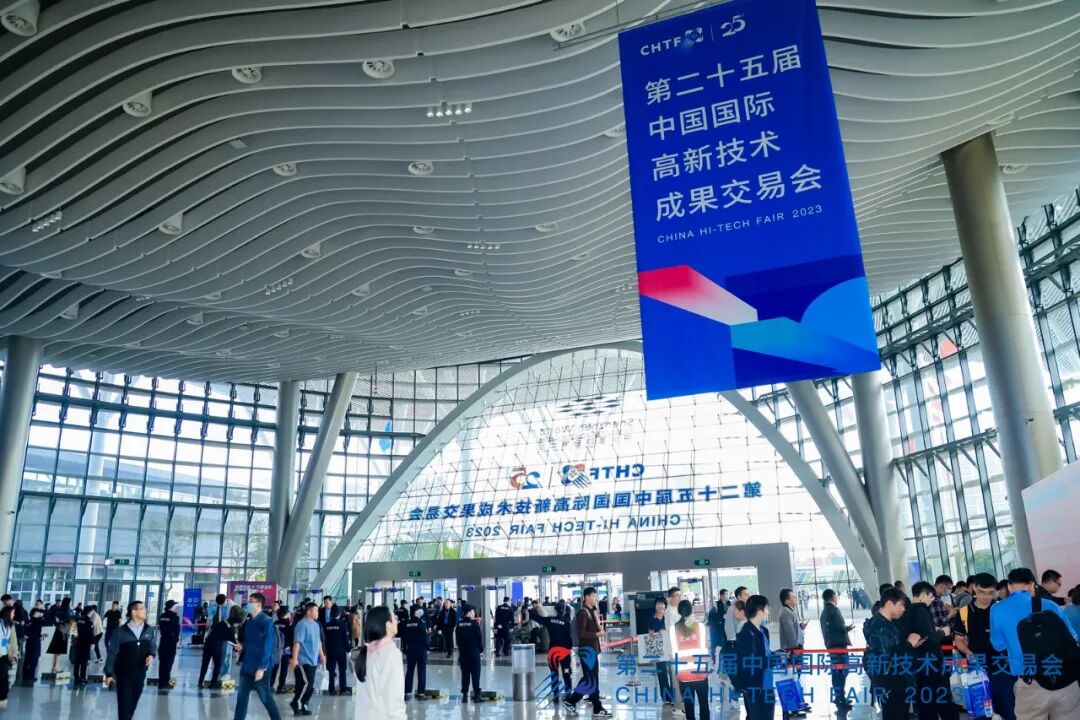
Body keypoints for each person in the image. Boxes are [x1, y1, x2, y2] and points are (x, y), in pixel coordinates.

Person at [990, 567, 1079, 719]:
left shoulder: (997, 609)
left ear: (1009, 586)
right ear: (1032, 584)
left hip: (1030, 682)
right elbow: (1073, 638)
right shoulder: (1051, 605)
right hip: (1064, 679)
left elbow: (998, 645)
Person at [952, 573, 1013, 720]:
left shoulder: (1002, 609)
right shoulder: (964, 612)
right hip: (977, 669)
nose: (986, 596)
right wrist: (969, 653)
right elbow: (959, 640)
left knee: (1008, 710)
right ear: (974, 588)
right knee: (982, 711)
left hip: (1003, 667)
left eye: (991, 593)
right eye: (981, 592)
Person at [865, 587, 921, 720]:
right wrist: (909, 644)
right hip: (891, 685)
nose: (904, 609)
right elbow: (887, 658)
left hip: (897, 682)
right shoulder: (880, 627)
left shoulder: (888, 623)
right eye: (901, 605)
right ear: (890, 604)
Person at [907, 581, 957, 720]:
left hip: (919, 664)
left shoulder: (908, 610)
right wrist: (942, 632)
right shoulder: (921, 610)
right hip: (932, 664)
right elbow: (929, 639)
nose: (932, 600)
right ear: (923, 595)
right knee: (943, 700)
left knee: (926, 703)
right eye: (931, 596)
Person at [104, 601, 158, 720]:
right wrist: (108, 673)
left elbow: (153, 647)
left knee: (133, 703)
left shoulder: (149, 630)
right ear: (134, 612)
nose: (145, 610)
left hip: (140, 673)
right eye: (142, 608)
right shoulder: (119, 632)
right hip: (123, 674)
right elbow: (112, 654)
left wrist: (151, 655)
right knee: (124, 705)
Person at [232, 593, 282, 720]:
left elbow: (268, 646)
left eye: (251, 601)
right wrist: (242, 646)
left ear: (258, 604)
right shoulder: (249, 621)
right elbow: (250, 641)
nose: (248, 603)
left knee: (265, 698)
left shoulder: (266, 622)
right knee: (241, 698)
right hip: (247, 666)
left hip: (260, 667)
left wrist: (262, 668)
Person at [563, 586, 611, 716]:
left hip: (592, 650)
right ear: (587, 597)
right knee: (590, 679)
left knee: (591, 679)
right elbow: (581, 634)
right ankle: (572, 701)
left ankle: (596, 707)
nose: (596, 599)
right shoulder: (583, 613)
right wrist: (597, 634)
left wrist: (598, 628)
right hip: (587, 651)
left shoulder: (591, 611)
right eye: (594, 596)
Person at [354, 606, 405, 720]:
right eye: (394, 618)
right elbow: (394, 700)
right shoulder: (391, 653)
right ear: (388, 625)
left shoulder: (367, 652)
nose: (397, 620)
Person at [735, 595, 774, 720]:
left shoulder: (763, 631)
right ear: (759, 611)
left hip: (767, 683)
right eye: (766, 609)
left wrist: (777, 655)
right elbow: (751, 663)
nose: (768, 612)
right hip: (755, 687)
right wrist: (772, 660)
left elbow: (765, 653)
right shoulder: (746, 634)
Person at [673, 599, 710, 720]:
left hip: (684, 674)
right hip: (700, 672)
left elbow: (673, 652)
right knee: (704, 704)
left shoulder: (674, 629)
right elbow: (706, 647)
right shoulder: (700, 627)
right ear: (691, 610)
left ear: (679, 611)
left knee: (689, 707)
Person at [531, 599, 574, 701]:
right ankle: (568, 695)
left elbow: (534, 617)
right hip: (564, 652)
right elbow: (570, 640)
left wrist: (535, 607)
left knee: (554, 674)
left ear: (555, 610)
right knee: (566, 673)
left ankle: (555, 695)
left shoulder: (550, 620)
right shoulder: (567, 623)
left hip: (553, 652)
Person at [820, 588, 853, 711]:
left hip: (831, 645)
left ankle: (838, 696)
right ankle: (840, 698)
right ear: (833, 597)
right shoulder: (834, 610)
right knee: (841, 672)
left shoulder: (824, 612)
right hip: (839, 646)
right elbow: (840, 627)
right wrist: (848, 628)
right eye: (836, 596)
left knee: (836, 672)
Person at [778, 589, 810, 718]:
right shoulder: (785, 612)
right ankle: (792, 708)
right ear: (786, 599)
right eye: (793, 597)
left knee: (795, 677)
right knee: (791, 678)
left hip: (796, 648)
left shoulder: (790, 610)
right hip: (792, 650)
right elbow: (790, 632)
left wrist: (800, 627)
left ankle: (797, 704)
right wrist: (794, 648)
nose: (795, 598)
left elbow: (793, 629)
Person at [289, 601, 325, 716]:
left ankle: (303, 705)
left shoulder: (316, 625)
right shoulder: (302, 625)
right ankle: (296, 703)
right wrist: (294, 659)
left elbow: (318, 642)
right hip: (303, 660)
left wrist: (322, 655)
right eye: (316, 610)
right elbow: (297, 643)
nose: (318, 613)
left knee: (311, 685)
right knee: (306, 683)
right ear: (309, 611)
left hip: (313, 660)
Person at [199, 594, 230, 688]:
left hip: (208, 644)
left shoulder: (212, 621)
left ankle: (200, 682)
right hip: (217, 646)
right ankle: (213, 683)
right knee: (218, 665)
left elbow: (208, 627)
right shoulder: (224, 624)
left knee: (205, 664)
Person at [455, 605, 484, 703]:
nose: (474, 613)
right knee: (476, 675)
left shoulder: (459, 625)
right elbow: (479, 639)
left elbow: (458, 640)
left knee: (465, 675)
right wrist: (480, 650)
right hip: (474, 654)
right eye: (473, 611)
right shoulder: (475, 624)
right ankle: (477, 695)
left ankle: (464, 695)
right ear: (469, 612)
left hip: (463, 654)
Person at [647, 597, 674, 705]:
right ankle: (666, 697)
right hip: (659, 648)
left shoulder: (669, 616)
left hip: (671, 647)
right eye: (658, 604)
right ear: (655, 606)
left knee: (673, 672)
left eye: (662, 604)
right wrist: (651, 633)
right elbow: (649, 631)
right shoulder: (651, 618)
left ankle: (675, 695)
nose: (660, 606)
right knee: (662, 673)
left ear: (665, 605)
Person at [320, 603, 350, 695]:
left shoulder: (326, 625)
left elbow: (324, 640)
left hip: (330, 651)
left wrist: (324, 652)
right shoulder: (343, 625)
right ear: (339, 614)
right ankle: (343, 689)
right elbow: (345, 639)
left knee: (331, 671)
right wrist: (348, 650)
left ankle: (331, 690)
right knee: (342, 671)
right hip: (341, 651)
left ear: (331, 614)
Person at [401, 605, 429, 700]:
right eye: (419, 610)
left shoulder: (407, 623)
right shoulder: (421, 623)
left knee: (410, 671)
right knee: (421, 671)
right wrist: (427, 648)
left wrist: (405, 649)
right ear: (416, 611)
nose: (421, 611)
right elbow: (425, 637)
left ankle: (407, 692)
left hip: (410, 650)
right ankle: (421, 693)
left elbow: (404, 637)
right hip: (421, 650)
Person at [157, 599, 180, 689]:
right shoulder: (175, 616)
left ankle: (161, 682)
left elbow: (160, 627)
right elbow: (177, 629)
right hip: (171, 641)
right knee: (169, 662)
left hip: (163, 640)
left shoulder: (162, 616)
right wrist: (176, 640)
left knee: (162, 662)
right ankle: (166, 683)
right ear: (172, 606)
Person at [21, 599, 46, 685]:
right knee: (34, 659)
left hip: (29, 641)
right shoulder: (38, 621)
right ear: (35, 613)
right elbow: (47, 622)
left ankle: (25, 676)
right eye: (38, 613)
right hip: (35, 641)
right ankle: (31, 676)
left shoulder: (29, 622)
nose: (40, 614)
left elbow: (26, 631)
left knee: (27, 659)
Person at [46, 596, 72, 674]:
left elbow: (56, 619)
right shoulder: (67, 610)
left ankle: (54, 666)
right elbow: (69, 620)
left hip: (58, 630)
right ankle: (56, 666)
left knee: (56, 649)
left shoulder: (59, 609)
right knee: (59, 650)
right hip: (63, 631)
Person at [0, 606, 19, 709]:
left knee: (4, 679)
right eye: (12, 613)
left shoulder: (9, 625)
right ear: (7, 614)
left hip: (3, 655)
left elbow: (9, 641)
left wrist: (13, 654)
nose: (14, 615)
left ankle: (2, 699)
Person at [273, 606, 294, 694]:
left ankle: (270, 685)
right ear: (286, 614)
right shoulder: (289, 624)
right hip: (286, 650)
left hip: (275, 649)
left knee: (274, 667)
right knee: (284, 669)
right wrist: (292, 654)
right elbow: (291, 638)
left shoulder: (274, 623)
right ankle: (281, 687)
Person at [73, 605, 95, 684]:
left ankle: (76, 676)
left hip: (78, 641)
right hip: (86, 643)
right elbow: (91, 634)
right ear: (90, 612)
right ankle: (83, 677)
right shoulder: (89, 621)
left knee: (77, 660)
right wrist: (92, 643)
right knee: (84, 660)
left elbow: (73, 629)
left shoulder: (77, 619)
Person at [723, 587, 750, 652]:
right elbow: (729, 625)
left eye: (748, 594)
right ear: (739, 597)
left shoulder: (749, 607)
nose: (748, 596)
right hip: (737, 641)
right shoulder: (732, 608)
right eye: (745, 594)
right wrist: (732, 641)